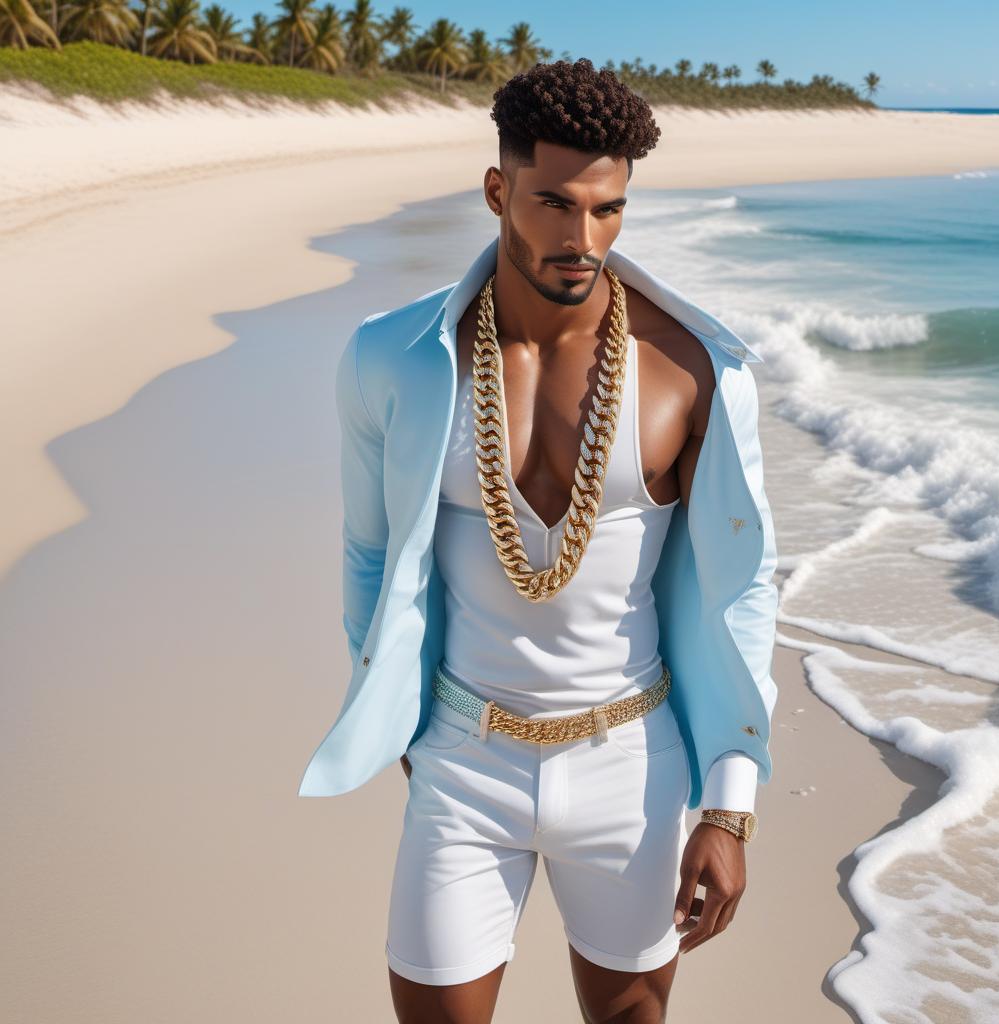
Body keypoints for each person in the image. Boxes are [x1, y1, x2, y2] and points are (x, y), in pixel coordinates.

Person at [298, 57, 779, 1024]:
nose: (581, 237)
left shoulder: (690, 371)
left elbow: (745, 588)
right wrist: (396, 716)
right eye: (554, 203)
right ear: (497, 191)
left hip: (631, 763)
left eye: (607, 210)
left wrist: (727, 807)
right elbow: (367, 551)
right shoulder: (392, 358)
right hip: (464, 758)